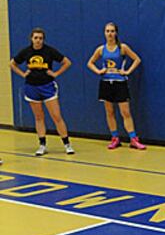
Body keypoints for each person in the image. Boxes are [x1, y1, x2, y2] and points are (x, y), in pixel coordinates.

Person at [10, 28, 75, 156]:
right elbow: (12, 64)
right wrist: (23, 74)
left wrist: (56, 73)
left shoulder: (49, 51)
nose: (38, 40)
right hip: (32, 87)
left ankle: (67, 144)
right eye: (36, 38)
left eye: (40, 38)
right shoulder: (26, 52)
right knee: (39, 117)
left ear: (43, 39)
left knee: (56, 116)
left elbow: (67, 62)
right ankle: (42, 144)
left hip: (47, 87)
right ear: (31, 39)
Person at [86, 22, 146, 150]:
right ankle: (115, 138)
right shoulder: (101, 49)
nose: (110, 34)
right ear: (104, 33)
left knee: (125, 112)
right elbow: (90, 63)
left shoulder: (122, 47)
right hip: (106, 83)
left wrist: (127, 72)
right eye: (107, 31)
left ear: (116, 33)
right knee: (110, 112)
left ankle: (133, 139)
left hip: (120, 83)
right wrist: (98, 71)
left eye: (112, 31)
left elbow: (137, 59)